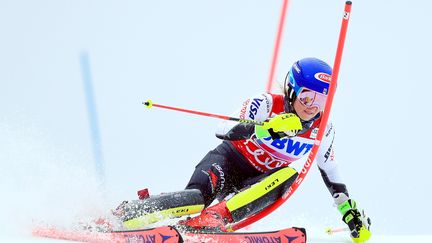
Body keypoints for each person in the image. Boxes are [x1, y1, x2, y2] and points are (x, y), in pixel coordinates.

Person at [114, 57, 372, 242]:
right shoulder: (266, 103)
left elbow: (331, 172)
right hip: (228, 162)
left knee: (288, 175)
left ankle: (212, 220)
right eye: (307, 96)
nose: (312, 106)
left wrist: (348, 213)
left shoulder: (322, 129)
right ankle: (124, 215)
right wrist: (265, 128)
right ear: (292, 89)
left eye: (322, 99)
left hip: (258, 184)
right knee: (193, 200)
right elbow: (223, 127)